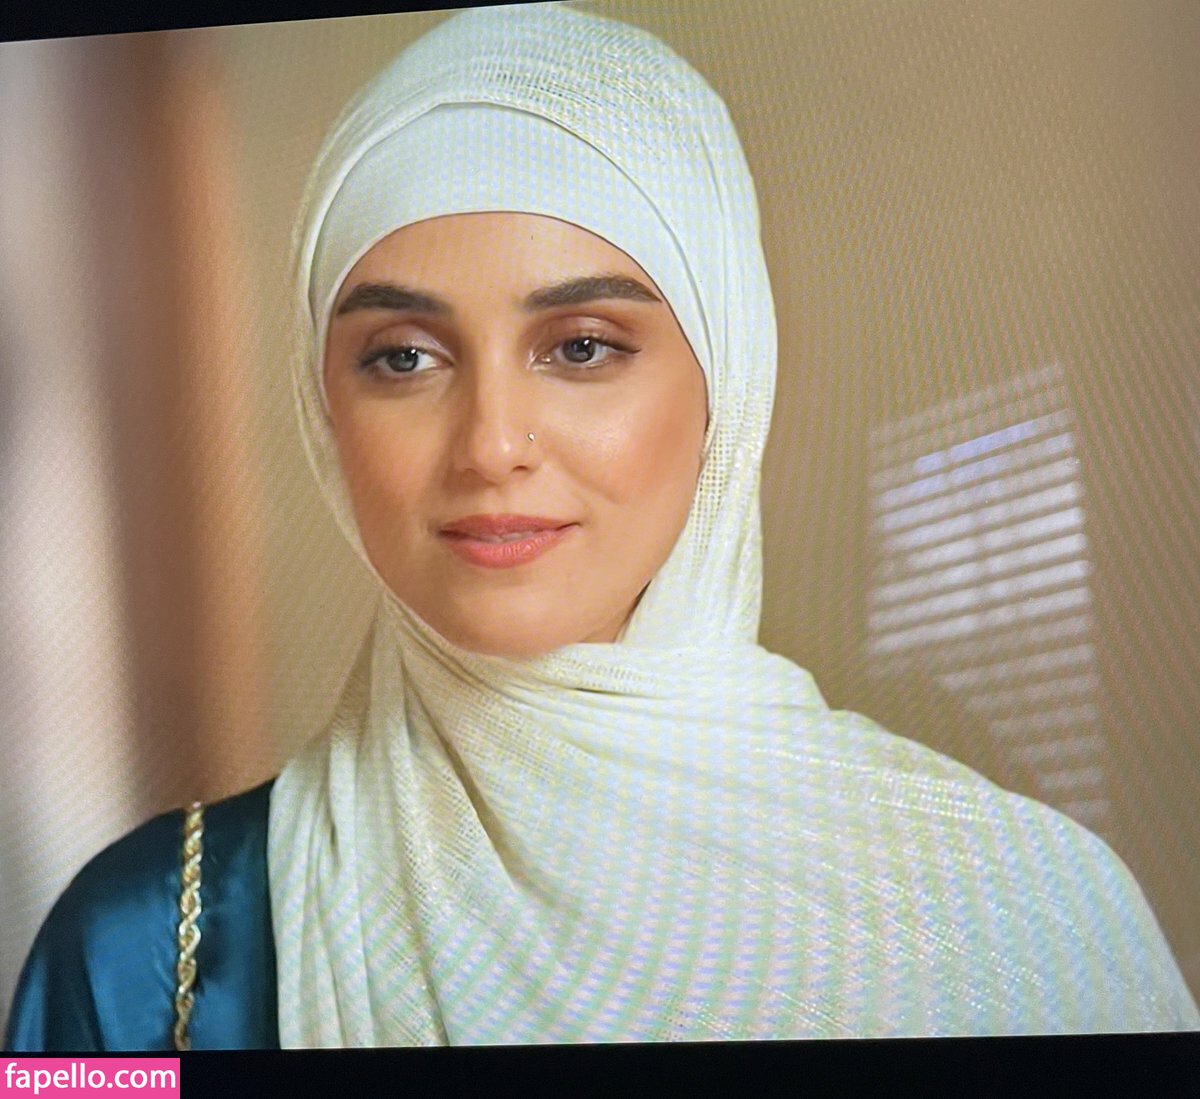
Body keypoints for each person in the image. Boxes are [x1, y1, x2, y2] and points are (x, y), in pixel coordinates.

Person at [6, 3, 1197, 1050]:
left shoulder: (1020, 923)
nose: (490, 443)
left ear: (725, 382)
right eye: (403, 357)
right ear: (326, 412)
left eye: (581, 347)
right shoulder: (140, 959)